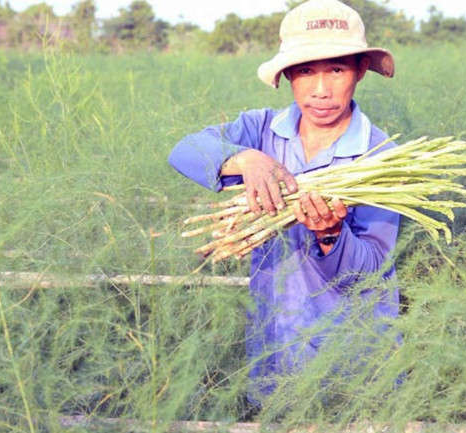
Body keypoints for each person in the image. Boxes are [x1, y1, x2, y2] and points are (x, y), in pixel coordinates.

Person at [168, 0, 400, 406]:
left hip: (353, 359)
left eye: (337, 70)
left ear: (361, 70)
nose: (321, 90)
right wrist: (245, 159)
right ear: (288, 74)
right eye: (306, 71)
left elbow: (370, 268)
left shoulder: (381, 157)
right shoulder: (261, 130)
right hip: (275, 347)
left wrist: (331, 234)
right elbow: (184, 151)